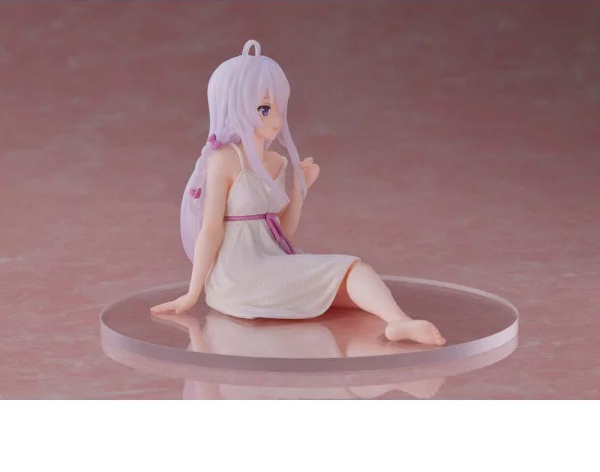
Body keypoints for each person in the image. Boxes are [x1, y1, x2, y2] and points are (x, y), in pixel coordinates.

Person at [150, 39, 445, 345]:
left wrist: (300, 188)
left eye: (279, 108)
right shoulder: (224, 159)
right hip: (238, 276)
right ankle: (398, 323)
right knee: (348, 271)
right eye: (265, 109)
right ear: (235, 107)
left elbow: (282, 233)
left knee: (356, 272)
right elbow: (210, 231)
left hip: (272, 262)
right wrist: (193, 292)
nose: (276, 118)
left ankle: (400, 323)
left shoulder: (277, 162)